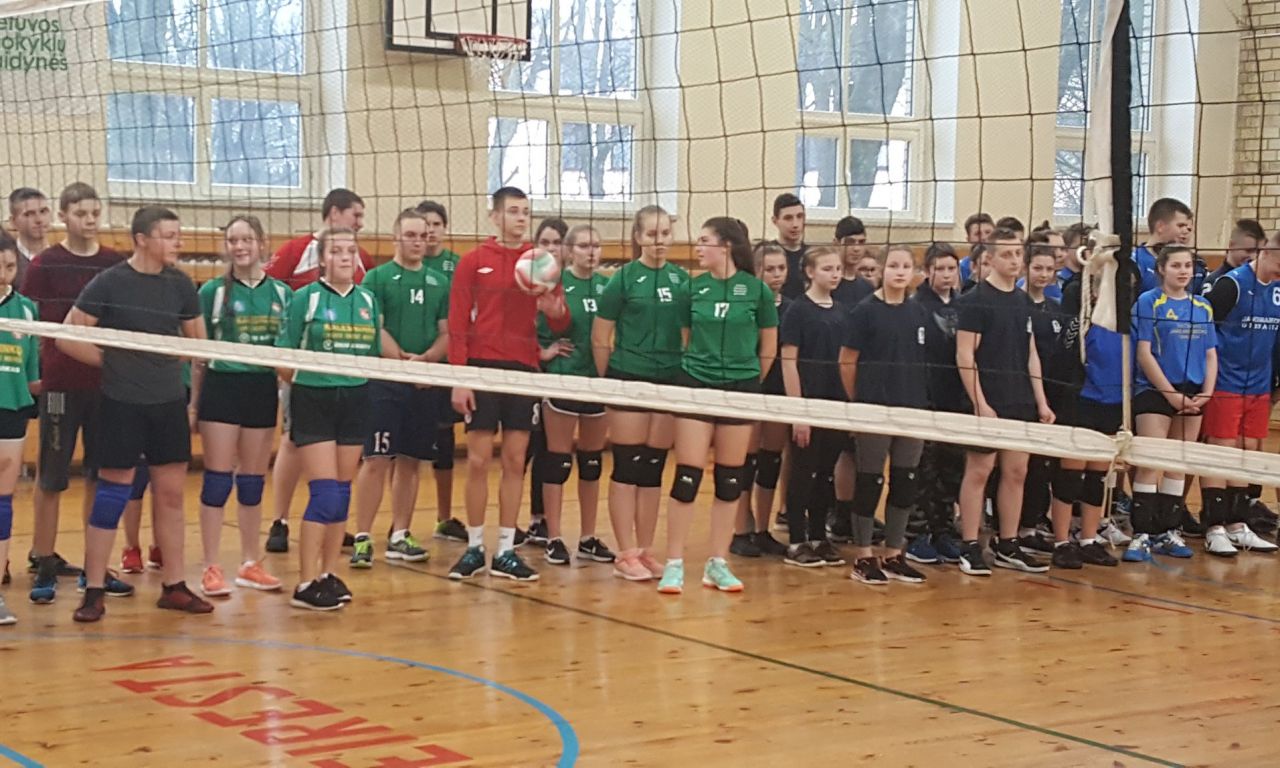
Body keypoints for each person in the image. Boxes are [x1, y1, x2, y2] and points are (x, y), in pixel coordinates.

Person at [62, 206, 210, 622]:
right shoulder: (110, 281)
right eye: (169, 235)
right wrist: (114, 363)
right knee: (113, 494)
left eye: (178, 235)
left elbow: (200, 345)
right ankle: (94, 590)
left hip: (168, 403)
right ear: (141, 239)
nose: (178, 242)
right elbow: (68, 337)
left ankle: (174, 586)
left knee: (171, 495)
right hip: (120, 403)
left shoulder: (181, 285)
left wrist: (171, 364)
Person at [447, 187, 569, 581]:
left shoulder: (540, 261)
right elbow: (457, 324)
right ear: (495, 216)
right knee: (478, 461)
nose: (521, 218)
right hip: (481, 369)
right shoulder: (474, 261)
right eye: (513, 211)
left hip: (523, 369)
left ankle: (504, 550)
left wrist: (554, 311)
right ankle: (473, 547)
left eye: (525, 212)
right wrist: (460, 379)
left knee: (516, 460)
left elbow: (560, 321)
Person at [660, 217, 778, 595]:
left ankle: (718, 563)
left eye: (704, 240)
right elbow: (686, 337)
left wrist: (748, 381)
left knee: (730, 479)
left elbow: (769, 346)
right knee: (687, 476)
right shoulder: (692, 289)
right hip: (696, 383)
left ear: (725, 246)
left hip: (740, 386)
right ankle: (674, 563)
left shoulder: (757, 291)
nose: (698, 247)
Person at [23, 183, 124, 604]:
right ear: (64, 216)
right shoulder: (45, 264)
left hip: (105, 387)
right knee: (52, 476)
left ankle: (94, 567)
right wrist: (32, 375)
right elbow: (28, 324)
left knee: (100, 476)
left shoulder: (114, 264)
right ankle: (44, 561)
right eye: (81, 213)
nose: (90, 220)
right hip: (60, 386)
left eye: (95, 213)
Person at [276, 227, 384, 610]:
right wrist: (309, 384)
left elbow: (372, 355)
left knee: (341, 491)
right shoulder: (304, 299)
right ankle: (305, 582)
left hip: (355, 397)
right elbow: (283, 355)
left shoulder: (368, 300)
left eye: (350, 251)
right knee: (323, 492)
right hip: (314, 398)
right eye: (336, 251)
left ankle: (327, 573)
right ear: (322, 259)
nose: (344, 257)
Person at [263, 188, 373, 555]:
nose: (360, 223)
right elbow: (269, 290)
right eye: (356, 215)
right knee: (293, 441)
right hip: (304, 367)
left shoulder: (361, 261)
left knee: (337, 475)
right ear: (334, 213)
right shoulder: (296, 251)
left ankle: (330, 523)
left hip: (347, 379)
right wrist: (291, 367)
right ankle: (279, 520)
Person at [189, 215, 290, 596]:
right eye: (233, 240)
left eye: (246, 239)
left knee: (251, 482)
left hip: (261, 388)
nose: (240, 246)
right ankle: (211, 566)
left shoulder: (282, 294)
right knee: (217, 481)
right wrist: (194, 405)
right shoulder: (212, 292)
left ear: (261, 243)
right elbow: (199, 355)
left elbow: (288, 351)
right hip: (222, 387)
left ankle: (249, 563)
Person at [349, 209, 450, 570]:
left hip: (423, 382)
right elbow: (374, 329)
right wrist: (403, 364)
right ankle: (363, 537)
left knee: (411, 461)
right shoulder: (376, 279)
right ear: (396, 238)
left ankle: (400, 534)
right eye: (411, 235)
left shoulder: (439, 282)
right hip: (385, 381)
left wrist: (428, 360)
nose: (418, 242)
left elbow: (446, 332)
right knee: (376, 459)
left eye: (423, 235)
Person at [592, 205, 687, 581]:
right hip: (629, 376)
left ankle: (645, 551)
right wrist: (608, 384)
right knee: (627, 465)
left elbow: (688, 334)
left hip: (669, 380)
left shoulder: (682, 280)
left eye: (665, 234)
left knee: (653, 467)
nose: (659, 241)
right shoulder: (623, 279)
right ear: (638, 237)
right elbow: (601, 335)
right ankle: (624, 552)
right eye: (651, 234)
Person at [954, 228, 1054, 576]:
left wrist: (1041, 401)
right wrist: (979, 402)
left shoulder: (1023, 301)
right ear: (990, 258)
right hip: (988, 398)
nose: (1014, 261)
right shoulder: (975, 300)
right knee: (980, 470)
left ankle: (1007, 543)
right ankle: (969, 544)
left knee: (1016, 471)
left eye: (1018, 254)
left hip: (1019, 399)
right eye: (1007, 254)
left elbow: (1031, 354)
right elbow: (965, 355)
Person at [1127, 245, 1228, 560]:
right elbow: (1143, 353)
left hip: (1194, 391)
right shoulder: (1149, 302)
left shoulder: (1202, 306)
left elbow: (1211, 354)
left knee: (1178, 464)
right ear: (1161, 269)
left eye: (1188, 266)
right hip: (1155, 390)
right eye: (1176, 265)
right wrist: (1170, 394)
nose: (1184, 271)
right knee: (1151, 463)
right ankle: (1141, 534)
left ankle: (1169, 531)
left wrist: (1207, 392)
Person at [839, 245, 931, 584]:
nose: (900, 271)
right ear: (881, 270)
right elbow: (847, 361)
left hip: (912, 408)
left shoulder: (918, 312)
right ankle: (864, 556)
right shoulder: (864, 311)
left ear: (914, 272)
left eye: (906, 266)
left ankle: (893, 553)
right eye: (893, 265)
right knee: (870, 481)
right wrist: (859, 403)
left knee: (905, 481)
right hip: (874, 409)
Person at [536, 224, 616, 565]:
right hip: (564, 378)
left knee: (592, 462)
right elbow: (531, 328)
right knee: (558, 461)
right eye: (583, 245)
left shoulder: (608, 286)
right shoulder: (554, 284)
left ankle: (587, 537)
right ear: (569, 251)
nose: (591, 251)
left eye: (596, 245)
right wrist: (545, 351)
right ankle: (554, 537)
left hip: (597, 380)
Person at [1198, 232, 1280, 556]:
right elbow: (1205, 332)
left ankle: (1237, 524)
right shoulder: (1230, 285)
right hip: (1226, 383)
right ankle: (1213, 526)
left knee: (1248, 452)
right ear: (1268, 252)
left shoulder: (1277, 289)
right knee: (1222, 451)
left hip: (1259, 385)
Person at [779, 246, 844, 568]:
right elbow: (788, 361)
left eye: (837, 269)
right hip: (808, 404)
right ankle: (796, 540)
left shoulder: (842, 311)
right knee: (803, 472)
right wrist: (798, 412)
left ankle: (819, 536)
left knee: (826, 474)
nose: (834, 274)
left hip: (836, 406)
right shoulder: (798, 310)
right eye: (827, 269)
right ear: (809, 272)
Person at [906, 243, 966, 565]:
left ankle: (944, 530)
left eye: (951, 269)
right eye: (939, 269)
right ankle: (916, 533)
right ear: (927, 271)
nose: (946, 275)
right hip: (925, 400)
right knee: (921, 471)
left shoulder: (964, 306)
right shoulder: (916, 306)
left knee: (951, 471)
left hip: (955, 401)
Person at [730, 242, 790, 558]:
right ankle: (741, 528)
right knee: (746, 462)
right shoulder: (745, 303)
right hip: (751, 389)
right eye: (769, 269)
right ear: (756, 271)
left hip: (779, 393)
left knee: (771, 461)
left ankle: (763, 529)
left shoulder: (792, 307)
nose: (776, 274)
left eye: (781, 268)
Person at [413, 199, 468, 543]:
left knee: (445, 441)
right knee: (405, 449)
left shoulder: (457, 266)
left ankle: (444, 518)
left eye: (436, 224)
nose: (430, 231)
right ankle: (400, 524)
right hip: (412, 366)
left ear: (444, 229)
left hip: (447, 365)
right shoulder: (406, 264)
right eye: (425, 225)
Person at [0, 237, 39, 625]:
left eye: (10, 267)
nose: (3, 275)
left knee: (2, 502)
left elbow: (32, 376)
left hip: (11, 412)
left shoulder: (27, 310)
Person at [524, 217, 569, 546]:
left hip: (559, 381)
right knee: (524, 448)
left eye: (557, 243)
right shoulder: (526, 279)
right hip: (528, 373)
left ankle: (539, 519)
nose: (551, 248)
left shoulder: (569, 282)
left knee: (545, 449)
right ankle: (514, 523)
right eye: (545, 242)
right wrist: (540, 352)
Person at [1132, 198, 1194, 295]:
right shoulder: (1135, 261)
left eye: (1189, 229)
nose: (1186, 232)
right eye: (1181, 226)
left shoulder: (1197, 264)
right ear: (1160, 226)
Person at [1203, 219, 1265, 295]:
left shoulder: (1263, 282)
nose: (1254, 257)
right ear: (1231, 245)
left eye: (1259, 252)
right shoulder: (1214, 282)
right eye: (1248, 250)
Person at [8, 187, 49, 287]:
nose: (39, 220)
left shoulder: (63, 258)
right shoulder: (7, 262)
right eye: (28, 214)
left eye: (43, 211)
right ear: (13, 222)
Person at [772, 193, 810, 299]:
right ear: (775, 221)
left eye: (799, 217)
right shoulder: (767, 254)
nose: (795, 224)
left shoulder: (812, 255)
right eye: (788, 218)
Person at [832, 216, 876, 307]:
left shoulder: (868, 288)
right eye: (850, 242)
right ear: (836, 243)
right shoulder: (827, 285)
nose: (856, 248)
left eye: (861, 242)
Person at [958, 212, 994, 284]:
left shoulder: (1005, 262)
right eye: (978, 234)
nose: (984, 237)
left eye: (988, 232)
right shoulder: (961, 268)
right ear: (968, 239)